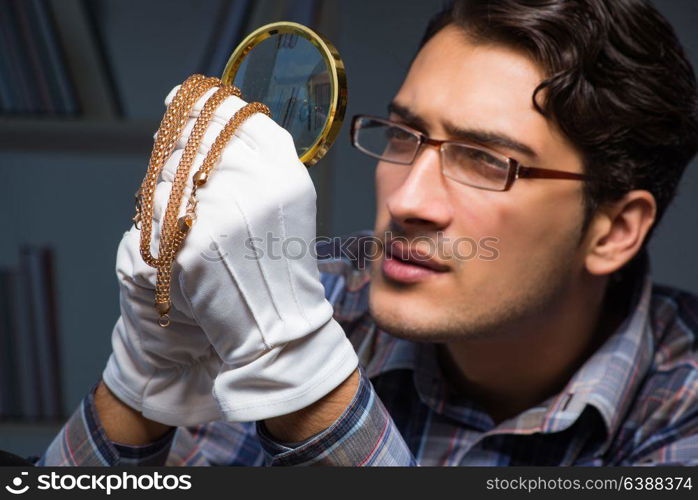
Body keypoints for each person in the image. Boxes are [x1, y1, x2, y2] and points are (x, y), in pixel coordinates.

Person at [40, 0, 697, 466]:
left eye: (486, 161)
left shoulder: (681, 404)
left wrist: (313, 396)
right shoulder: (304, 299)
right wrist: (139, 386)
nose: (408, 200)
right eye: (405, 136)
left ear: (614, 230)